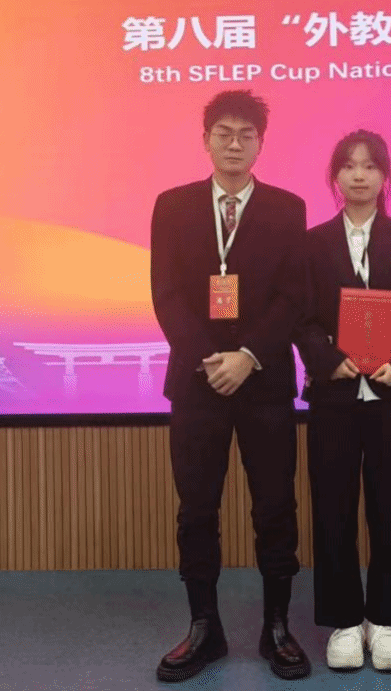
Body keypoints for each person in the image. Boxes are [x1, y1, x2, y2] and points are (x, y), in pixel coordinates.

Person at [149, 89, 311, 682]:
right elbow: (165, 293)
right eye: (224, 133)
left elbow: (294, 295)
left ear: (261, 143)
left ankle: (277, 627)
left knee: (276, 507)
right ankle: (204, 628)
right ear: (206, 140)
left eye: (246, 134)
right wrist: (209, 360)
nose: (235, 144)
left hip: (264, 382)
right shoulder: (173, 206)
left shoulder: (287, 208)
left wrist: (246, 356)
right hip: (197, 386)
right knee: (197, 509)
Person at [296, 130, 391, 672]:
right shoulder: (312, 242)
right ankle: (345, 621)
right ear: (335, 176)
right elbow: (303, 319)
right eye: (349, 166)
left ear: (385, 176)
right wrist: (328, 359)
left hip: (390, 397)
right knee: (333, 509)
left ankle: (387, 618)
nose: (359, 175)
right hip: (334, 396)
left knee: (389, 508)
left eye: (370, 166)